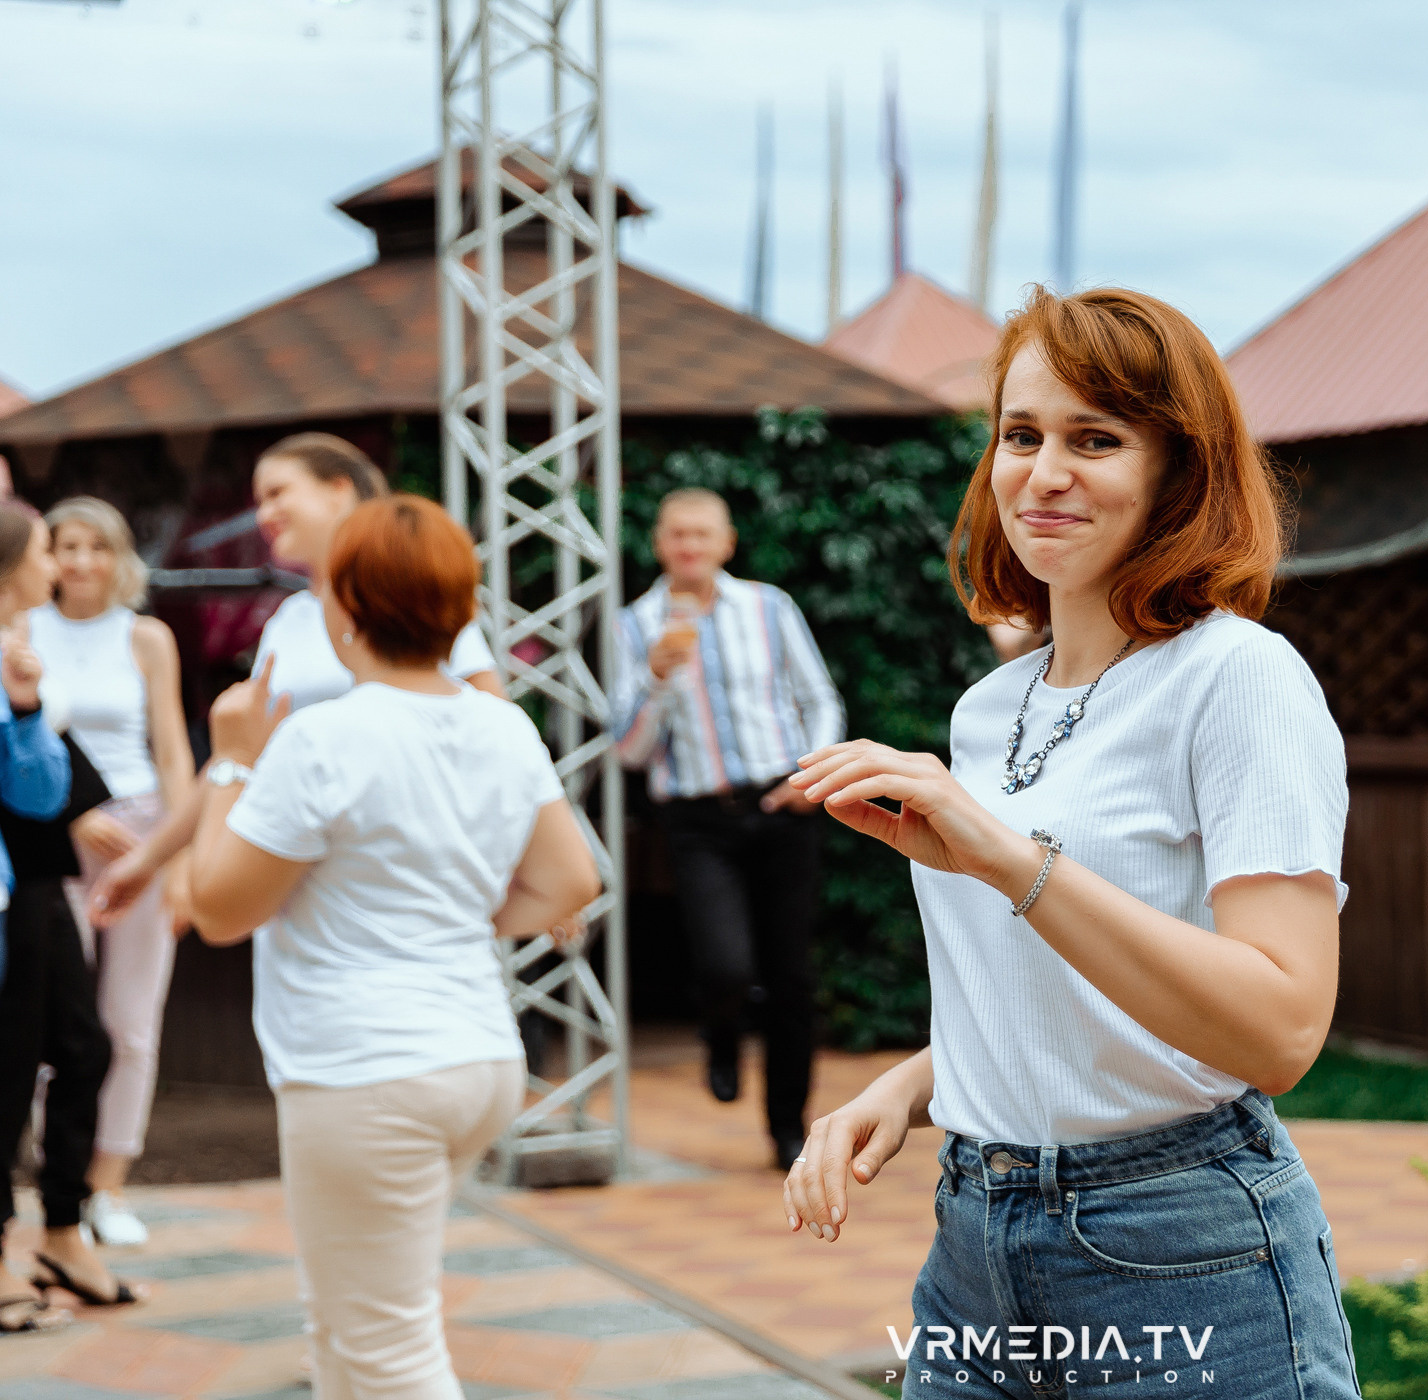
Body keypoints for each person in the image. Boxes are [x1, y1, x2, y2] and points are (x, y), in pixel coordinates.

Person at [783, 287, 1357, 1398]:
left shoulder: (1238, 679)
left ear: (1178, 471)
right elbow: (1067, 998)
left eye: (1095, 439)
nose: (1044, 472)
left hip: (1180, 1240)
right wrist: (908, 1089)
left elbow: (1282, 1025)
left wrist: (1007, 857)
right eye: (1021, 434)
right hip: (974, 1246)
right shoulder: (989, 710)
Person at [186, 494, 599, 1399]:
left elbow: (215, 907)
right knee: (345, 1325)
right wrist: (447, 910)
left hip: (364, 1072)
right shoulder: (503, 725)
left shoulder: (320, 739)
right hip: (473, 1057)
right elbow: (572, 882)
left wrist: (228, 760)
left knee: (388, 1353)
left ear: (344, 605)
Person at [89, 432, 503, 928]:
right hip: (297, 887)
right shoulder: (289, 620)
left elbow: (493, 733)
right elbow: (236, 754)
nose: (263, 514)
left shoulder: (409, 598)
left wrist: (520, 856)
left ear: (339, 489)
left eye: (278, 493)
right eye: (258, 500)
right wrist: (149, 860)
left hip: (405, 880)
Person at [610, 488, 843, 1171]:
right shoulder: (635, 625)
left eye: (701, 534)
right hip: (697, 818)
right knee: (725, 965)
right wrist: (655, 680)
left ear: (726, 542)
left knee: (792, 979)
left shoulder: (770, 607)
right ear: (659, 545)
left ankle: (787, 1129)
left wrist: (811, 776)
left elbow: (817, 696)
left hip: (780, 805)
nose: (689, 546)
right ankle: (719, 1031)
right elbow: (626, 751)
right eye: (677, 534)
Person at [29, 496, 195, 1249]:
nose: (82, 560)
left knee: (131, 1022)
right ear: (47, 555)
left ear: (118, 554)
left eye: (97, 545)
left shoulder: (148, 637)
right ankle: (53, 1181)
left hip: (141, 837)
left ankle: (108, 1184)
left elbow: (171, 752)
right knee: (50, 1021)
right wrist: (66, 814)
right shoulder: (21, 631)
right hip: (52, 835)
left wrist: (177, 851)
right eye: (67, 545)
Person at [0, 502, 110, 1334]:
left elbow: (38, 797)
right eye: (48, 550)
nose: (60, 565)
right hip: (16, 891)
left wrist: (28, 708)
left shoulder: (19, 654)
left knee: (81, 1046)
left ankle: (63, 1231)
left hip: (28, 880)